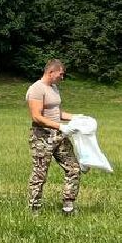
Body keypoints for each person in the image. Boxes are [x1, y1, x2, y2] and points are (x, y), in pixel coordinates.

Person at [26, 59, 81, 214]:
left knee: (73, 168)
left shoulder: (54, 88)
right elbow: (36, 116)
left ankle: (68, 206)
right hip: (42, 136)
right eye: (60, 74)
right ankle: (34, 209)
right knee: (40, 173)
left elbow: (57, 113)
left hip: (59, 135)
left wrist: (76, 117)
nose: (62, 78)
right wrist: (60, 126)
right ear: (51, 72)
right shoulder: (36, 89)